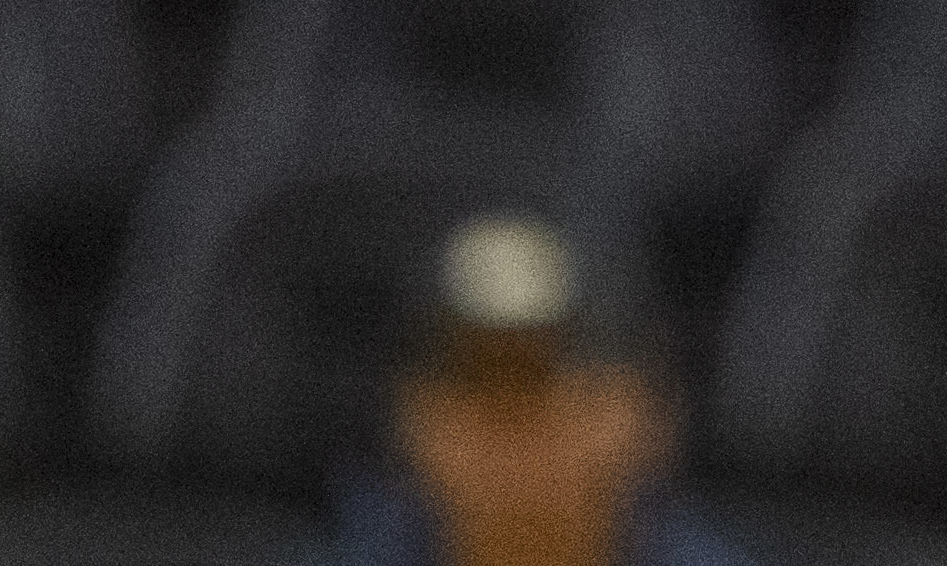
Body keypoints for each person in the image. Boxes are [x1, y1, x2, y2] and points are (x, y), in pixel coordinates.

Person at [324, 218, 758, 566]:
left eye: (522, 332)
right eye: (494, 332)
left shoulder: (615, 412)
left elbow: (663, 525)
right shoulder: (431, 421)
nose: (509, 346)